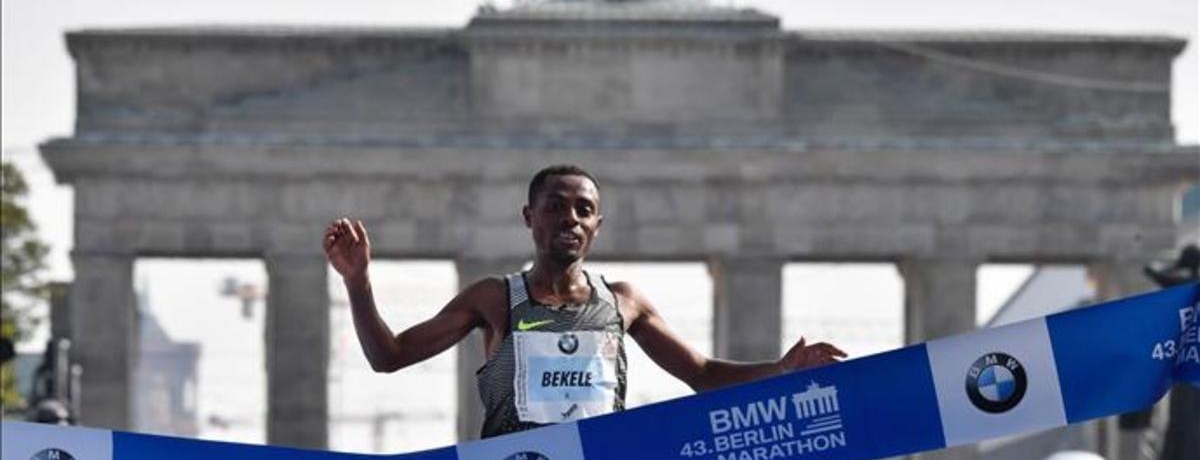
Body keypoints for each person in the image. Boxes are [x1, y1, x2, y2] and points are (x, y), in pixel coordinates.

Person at [323, 164, 845, 439]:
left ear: (597, 225)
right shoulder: (495, 299)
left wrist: (779, 369)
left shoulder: (623, 304)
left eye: (584, 209)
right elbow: (388, 357)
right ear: (530, 217)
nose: (570, 218)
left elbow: (703, 374)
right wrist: (357, 282)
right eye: (556, 207)